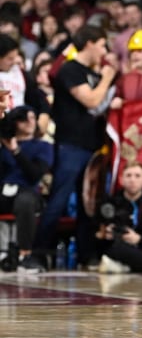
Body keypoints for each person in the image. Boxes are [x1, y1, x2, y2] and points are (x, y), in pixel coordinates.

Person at [33, 25, 118, 267]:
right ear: (89, 43)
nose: (103, 51)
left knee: (88, 204)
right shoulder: (70, 70)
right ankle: (39, 254)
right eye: (101, 45)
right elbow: (90, 99)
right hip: (70, 144)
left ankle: (86, 255)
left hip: (92, 145)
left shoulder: (91, 72)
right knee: (59, 200)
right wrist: (107, 79)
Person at [0, 106, 53, 273]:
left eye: (33, 118)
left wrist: (16, 151)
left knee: (25, 202)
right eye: (25, 118)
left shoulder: (43, 146)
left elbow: (34, 174)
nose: (31, 122)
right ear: (16, 122)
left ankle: (25, 255)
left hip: (27, 192)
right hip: (3, 191)